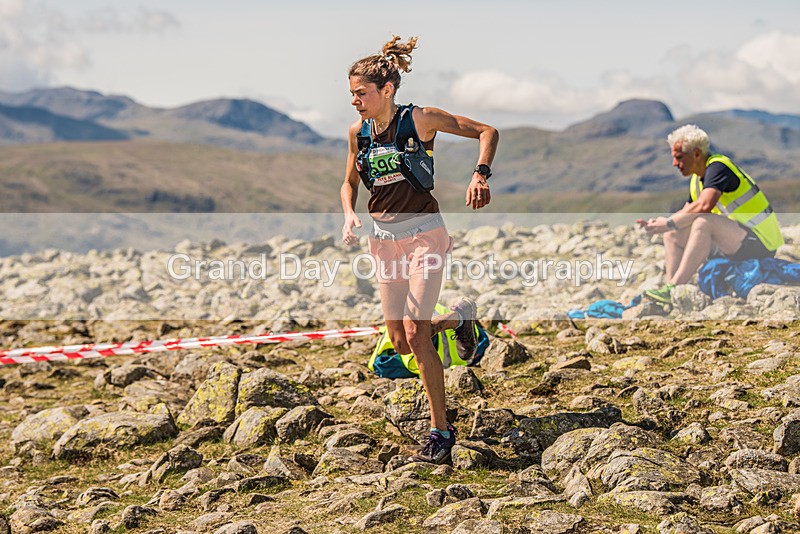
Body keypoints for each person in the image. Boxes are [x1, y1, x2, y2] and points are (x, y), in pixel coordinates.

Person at [341, 35, 499, 464]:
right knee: (400, 340)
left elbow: (486, 131)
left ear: (386, 90)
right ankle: (460, 318)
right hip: (383, 241)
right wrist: (349, 214)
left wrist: (480, 173)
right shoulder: (359, 133)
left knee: (414, 330)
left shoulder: (421, 119)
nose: (354, 100)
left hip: (425, 235)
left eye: (361, 93)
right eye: (351, 93)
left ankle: (440, 433)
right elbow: (349, 183)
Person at [640, 124, 784, 304]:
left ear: (697, 154)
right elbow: (685, 213)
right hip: (735, 239)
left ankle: (674, 288)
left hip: (761, 242)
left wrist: (669, 222)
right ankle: (670, 292)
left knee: (703, 222)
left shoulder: (718, 167)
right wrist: (661, 224)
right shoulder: (696, 179)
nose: (674, 164)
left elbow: (705, 205)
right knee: (673, 233)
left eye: (679, 157)